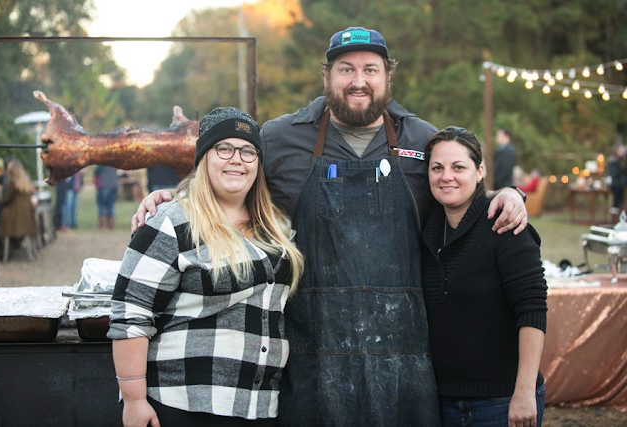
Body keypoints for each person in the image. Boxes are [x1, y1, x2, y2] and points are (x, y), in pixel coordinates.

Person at [131, 27, 528, 426]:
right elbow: (232, 180)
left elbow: (457, 188)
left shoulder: (421, 137)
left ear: (388, 76)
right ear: (327, 75)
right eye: (346, 69)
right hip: (313, 352)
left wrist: (506, 194)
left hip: (404, 352)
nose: (358, 81)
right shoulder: (281, 136)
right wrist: (176, 195)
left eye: (370, 70)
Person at [107, 107, 304, 427]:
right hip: (183, 405)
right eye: (224, 148)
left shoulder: (277, 228)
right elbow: (131, 314)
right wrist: (133, 400)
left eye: (248, 151)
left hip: (258, 406)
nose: (237, 158)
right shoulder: (172, 221)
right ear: (203, 159)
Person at [422, 126, 547, 427]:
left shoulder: (504, 225)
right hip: (440, 401)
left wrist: (524, 391)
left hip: (501, 401)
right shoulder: (426, 229)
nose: (446, 176)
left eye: (458, 167)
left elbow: (532, 310)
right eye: (437, 168)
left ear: (479, 172)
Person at [0, 158, 38, 258]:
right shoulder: (27, 183)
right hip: (26, 219)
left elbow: (6, 200)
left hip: (14, 219)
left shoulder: (12, 184)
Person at [94, 165, 119, 229]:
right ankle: (111, 225)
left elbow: (97, 171)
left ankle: (102, 225)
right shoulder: (115, 160)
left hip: (104, 185)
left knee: (102, 205)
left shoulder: (102, 161)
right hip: (113, 185)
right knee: (111, 206)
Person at [607, 143, 626, 220]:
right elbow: (614, 174)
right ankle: (614, 220)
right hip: (617, 185)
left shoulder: (620, 160)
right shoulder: (614, 161)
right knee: (616, 202)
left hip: (620, 185)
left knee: (620, 202)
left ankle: (619, 218)